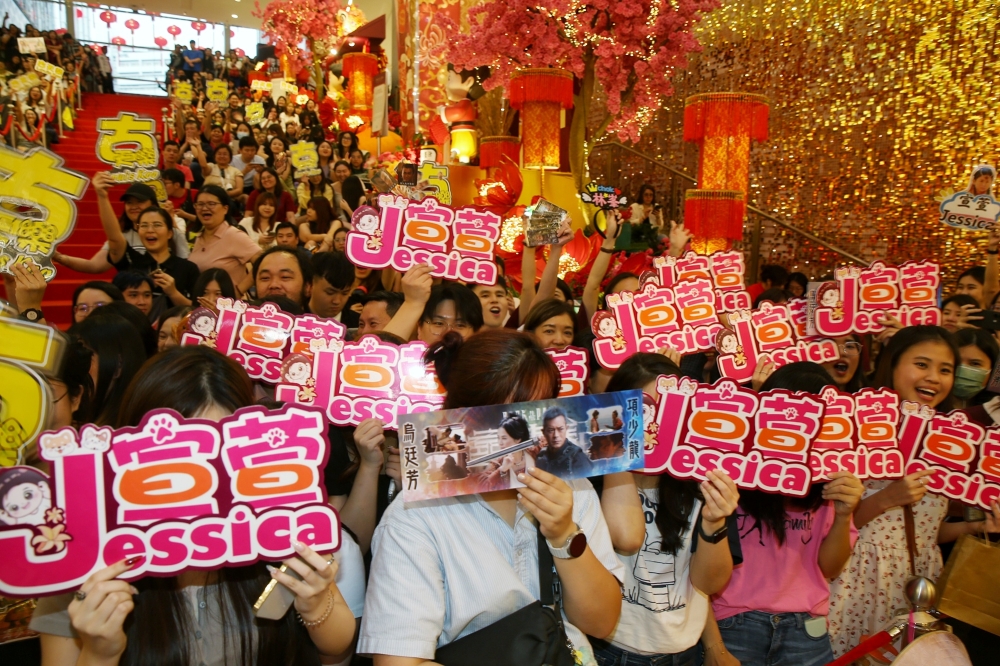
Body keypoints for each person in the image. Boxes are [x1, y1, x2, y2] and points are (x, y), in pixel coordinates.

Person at [31, 346, 362, 666]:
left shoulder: (273, 516)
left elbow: (337, 642)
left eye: (217, 455)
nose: (199, 478)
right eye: (179, 455)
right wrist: (101, 652)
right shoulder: (86, 551)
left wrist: (317, 602)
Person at [359, 329, 624, 665]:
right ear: (456, 417)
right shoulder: (414, 516)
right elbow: (398, 662)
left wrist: (563, 534)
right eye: (496, 417)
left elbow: (601, 623)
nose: (521, 437)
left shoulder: (572, 489)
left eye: (536, 412)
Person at [827, 326, 1000, 657]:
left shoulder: (952, 443)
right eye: (922, 364)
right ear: (892, 364)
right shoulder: (856, 425)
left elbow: (930, 532)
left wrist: (973, 527)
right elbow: (829, 529)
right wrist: (884, 499)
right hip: (856, 581)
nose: (934, 377)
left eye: (945, 369)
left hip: (918, 587)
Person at [701, 362, 863, 666]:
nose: (802, 428)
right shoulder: (733, 471)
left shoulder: (832, 481)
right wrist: (713, 646)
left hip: (806, 628)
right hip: (735, 621)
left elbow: (829, 567)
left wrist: (843, 515)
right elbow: (700, 571)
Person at [592, 352, 743, 665]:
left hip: (683, 651)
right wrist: (616, 453)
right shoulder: (593, 478)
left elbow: (709, 584)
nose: (655, 424)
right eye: (644, 409)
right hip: (609, 649)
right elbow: (624, 538)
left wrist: (714, 522)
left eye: (669, 409)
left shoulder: (704, 479)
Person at [106, 206, 201, 312]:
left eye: (157, 225)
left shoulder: (188, 268)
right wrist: (102, 196)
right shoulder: (131, 261)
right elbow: (114, 237)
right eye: (144, 226)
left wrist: (173, 293)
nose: (150, 230)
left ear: (170, 233)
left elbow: (198, 311)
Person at [67, 313, 147, 426]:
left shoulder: (133, 433)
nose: (75, 367)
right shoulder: (76, 422)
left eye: (84, 358)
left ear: (118, 365)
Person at [189, 186, 262, 291]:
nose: (204, 208)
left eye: (211, 204)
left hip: (229, 305)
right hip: (204, 304)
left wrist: (240, 290)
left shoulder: (233, 235)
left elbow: (263, 262)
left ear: (225, 209)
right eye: (200, 204)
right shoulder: (198, 237)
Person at [533, 406, 594, 478]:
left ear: (566, 428)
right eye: (550, 430)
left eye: (560, 429)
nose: (556, 435)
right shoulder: (541, 456)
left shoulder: (577, 457)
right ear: (544, 432)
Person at [415, 283, 483, 345]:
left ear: (476, 333)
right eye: (439, 323)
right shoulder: (405, 357)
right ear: (419, 329)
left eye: (460, 325)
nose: (448, 333)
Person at [951, 327, 998, 407]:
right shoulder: (926, 409)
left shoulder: (995, 413)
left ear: (993, 369)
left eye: (975, 364)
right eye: (957, 361)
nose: (963, 369)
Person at [309, 252, 359, 326]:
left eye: (345, 293)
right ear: (311, 284)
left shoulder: (358, 325)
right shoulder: (292, 319)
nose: (337, 301)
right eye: (330, 292)